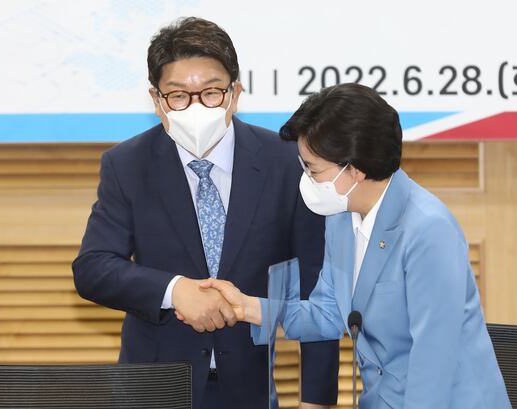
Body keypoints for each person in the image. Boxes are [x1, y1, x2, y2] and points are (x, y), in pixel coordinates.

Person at [72, 17, 339, 409]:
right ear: (157, 100)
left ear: (235, 93)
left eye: (212, 92)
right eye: (178, 95)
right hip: (153, 387)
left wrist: (317, 401)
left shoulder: (285, 162)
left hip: (248, 390)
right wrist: (174, 290)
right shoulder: (127, 164)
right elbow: (93, 268)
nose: (196, 107)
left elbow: (315, 286)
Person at [202, 83, 513, 408]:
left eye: (312, 169)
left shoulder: (428, 230)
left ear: (355, 171)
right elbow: (326, 314)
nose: (305, 179)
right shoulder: (341, 219)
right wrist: (248, 308)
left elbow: (433, 362)